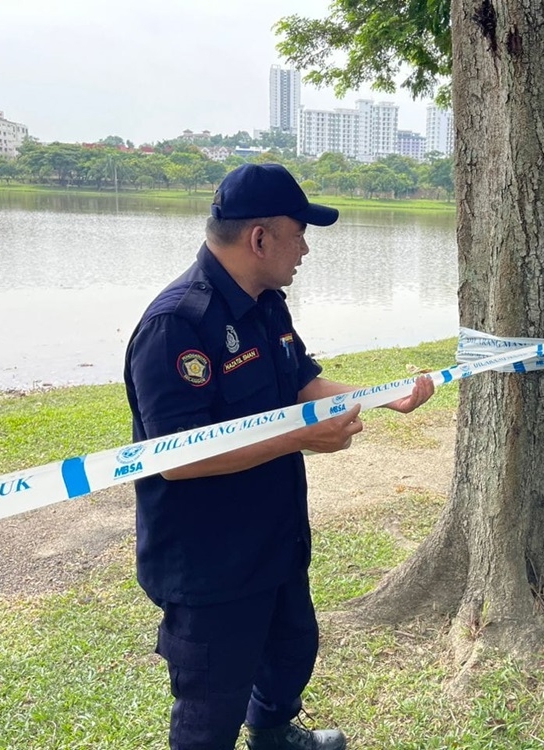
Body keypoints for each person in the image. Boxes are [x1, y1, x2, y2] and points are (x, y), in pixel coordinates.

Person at [124, 163, 434, 750]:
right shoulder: (177, 325)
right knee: (211, 702)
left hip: (275, 536)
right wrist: (300, 439)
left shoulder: (267, 304)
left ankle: (272, 734)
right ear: (259, 238)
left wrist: (384, 396)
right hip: (211, 560)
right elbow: (177, 459)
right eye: (299, 233)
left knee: (292, 650)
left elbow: (301, 387)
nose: (306, 248)